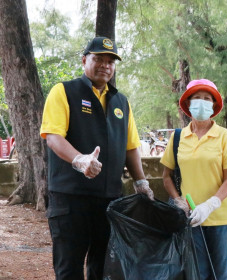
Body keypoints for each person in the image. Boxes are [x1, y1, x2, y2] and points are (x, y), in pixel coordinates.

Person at [40, 36, 154, 280]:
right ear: (84, 60)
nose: (105, 65)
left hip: (109, 200)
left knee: (104, 268)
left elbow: (131, 147)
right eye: (98, 58)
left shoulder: (121, 101)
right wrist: (80, 160)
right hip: (70, 198)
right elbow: (53, 137)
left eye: (111, 61)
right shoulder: (64, 91)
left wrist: (141, 182)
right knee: (69, 267)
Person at [160, 79, 227, 280]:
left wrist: (210, 205)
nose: (202, 102)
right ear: (188, 105)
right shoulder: (178, 137)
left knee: (221, 275)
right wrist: (178, 200)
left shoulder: (225, 136)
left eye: (207, 98)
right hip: (191, 219)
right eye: (197, 98)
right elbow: (166, 176)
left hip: (220, 218)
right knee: (196, 273)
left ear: (214, 105)